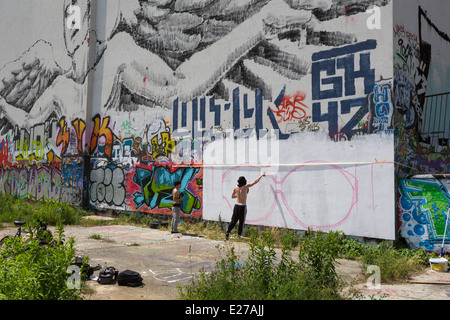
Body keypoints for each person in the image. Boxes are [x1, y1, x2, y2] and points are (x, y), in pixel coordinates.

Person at [226, 172, 265, 240]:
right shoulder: (245, 187)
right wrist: (261, 175)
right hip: (242, 206)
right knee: (241, 221)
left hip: (236, 206)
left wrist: (238, 196)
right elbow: (255, 182)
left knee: (233, 221)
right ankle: (239, 235)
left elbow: (232, 196)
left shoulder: (235, 188)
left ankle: (227, 232)